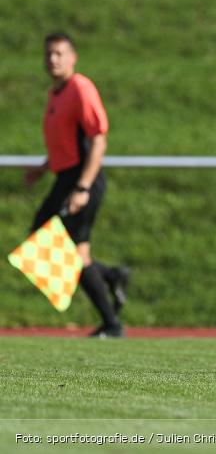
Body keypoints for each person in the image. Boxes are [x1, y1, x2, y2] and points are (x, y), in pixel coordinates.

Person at [24, 33, 130, 339]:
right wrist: (43, 168)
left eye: (59, 53)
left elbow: (98, 140)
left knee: (70, 250)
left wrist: (82, 188)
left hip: (83, 179)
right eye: (48, 54)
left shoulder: (81, 88)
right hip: (65, 178)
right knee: (48, 243)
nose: (53, 59)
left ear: (73, 57)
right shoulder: (56, 93)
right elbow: (65, 142)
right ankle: (111, 279)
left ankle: (112, 320)